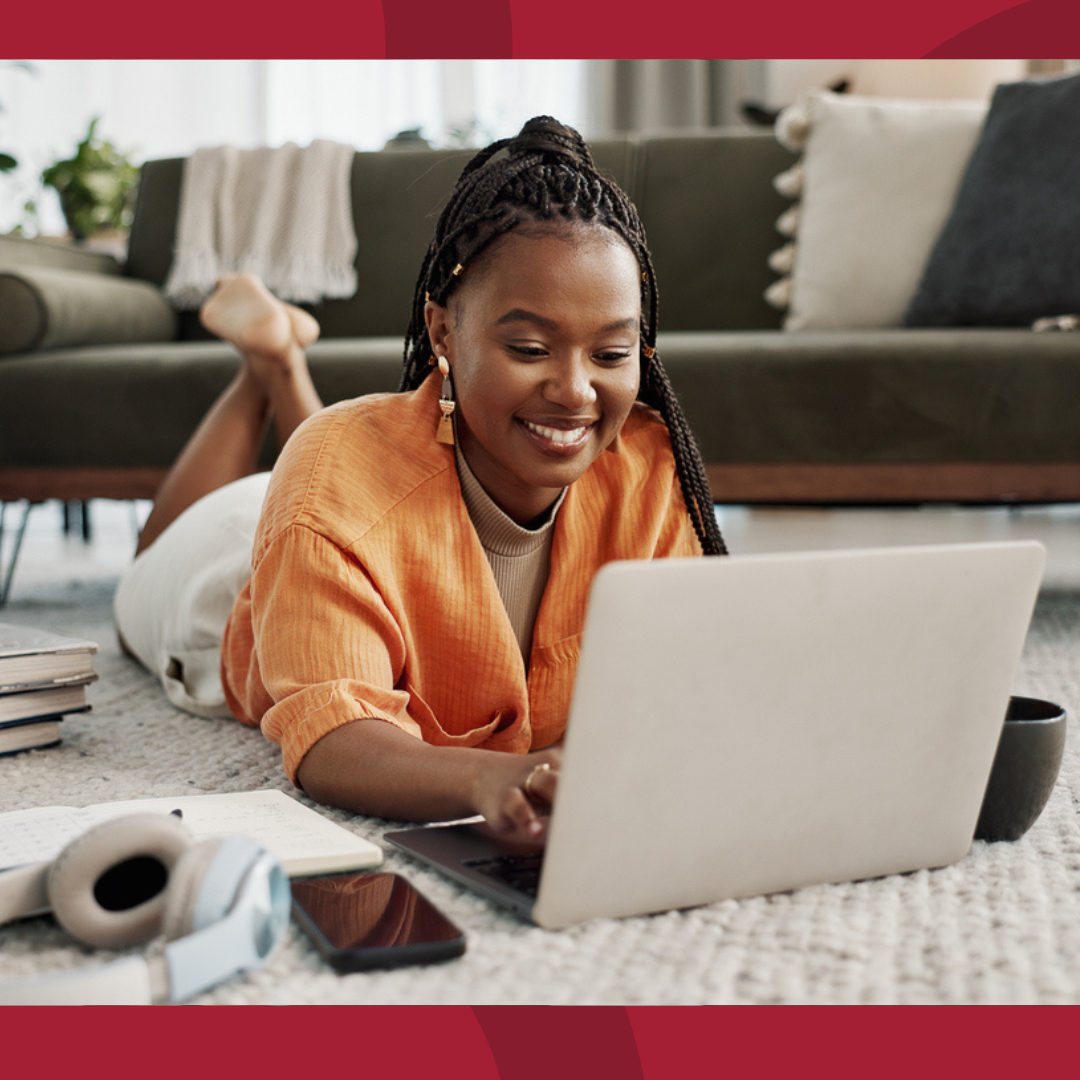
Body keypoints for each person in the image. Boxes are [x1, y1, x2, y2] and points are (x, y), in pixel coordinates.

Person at [115, 116, 726, 842]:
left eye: (612, 353)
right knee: (154, 557)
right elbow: (332, 732)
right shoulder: (332, 483)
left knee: (327, 468)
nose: (575, 391)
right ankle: (269, 367)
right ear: (442, 332)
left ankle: (279, 360)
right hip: (219, 582)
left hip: (340, 507)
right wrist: (481, 776)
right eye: (530, 347)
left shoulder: (648, 467)